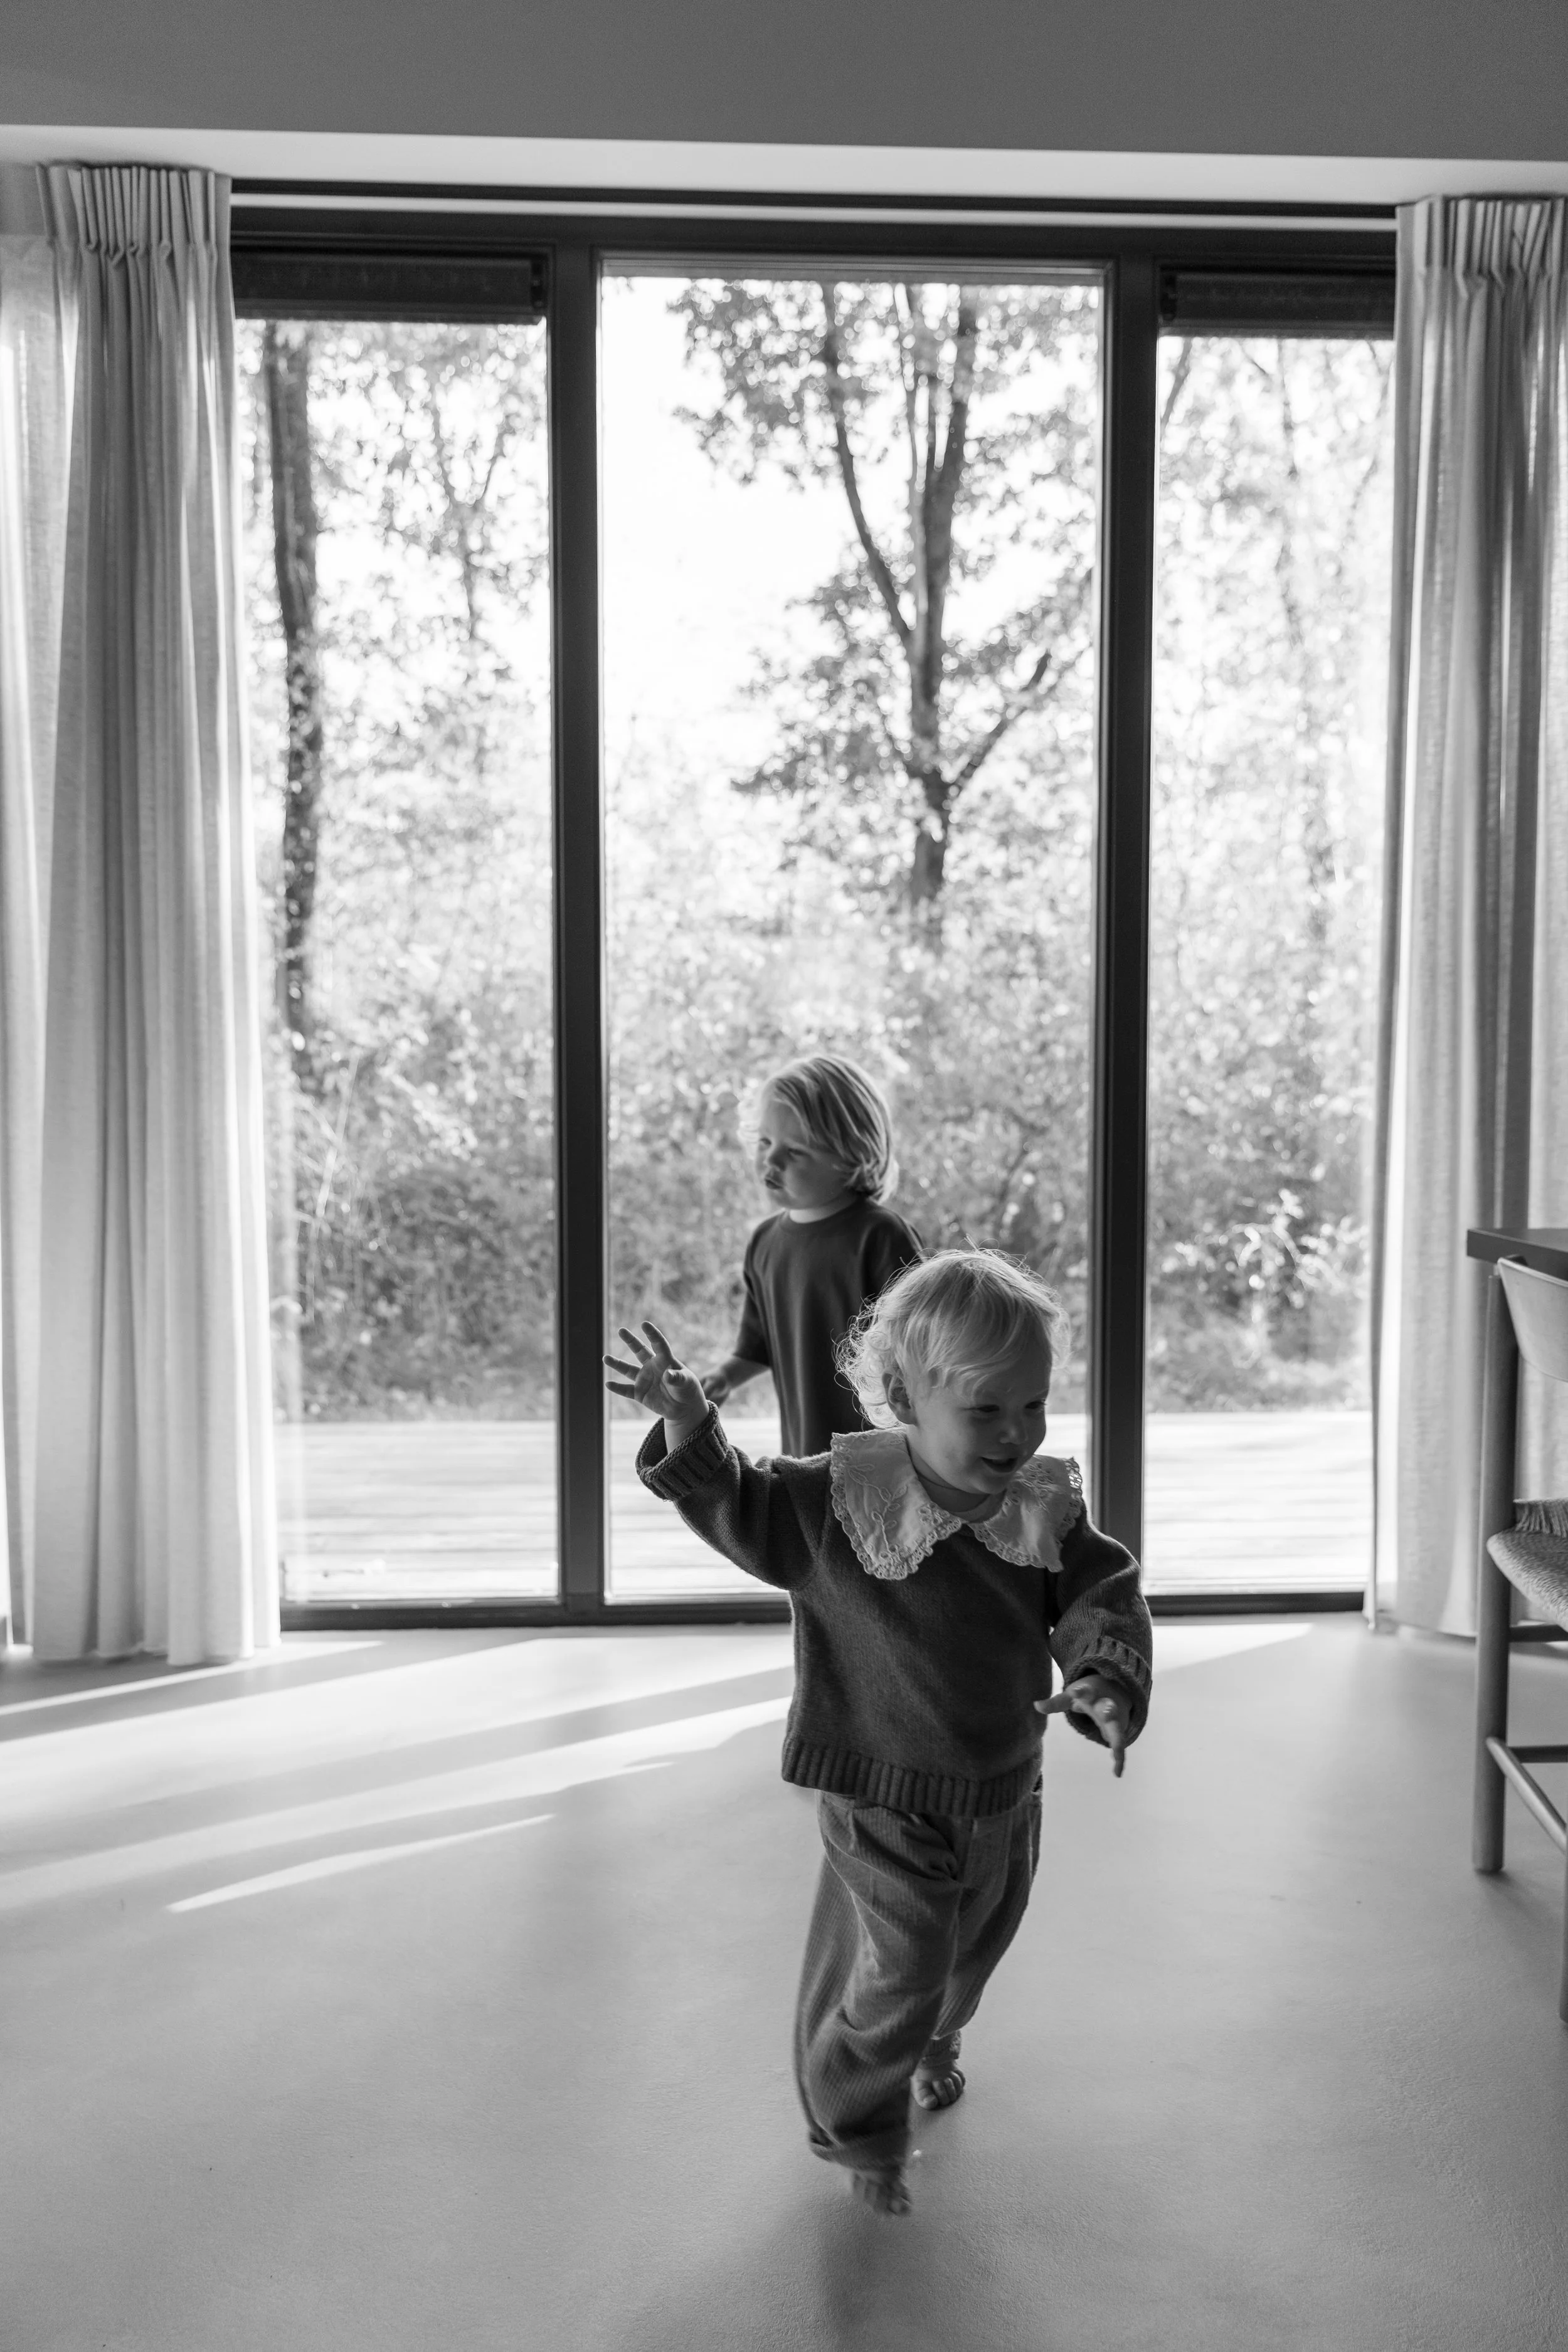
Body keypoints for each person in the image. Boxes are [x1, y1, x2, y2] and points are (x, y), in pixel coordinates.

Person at [604, 1249, 1152, 2218]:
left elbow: (1100, 1596)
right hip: (879, 1791)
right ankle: (857, 2123)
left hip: (1001, 1790)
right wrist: (689, 1420)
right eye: (986, 1409)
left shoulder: (1043, 1505)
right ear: (903, 1398)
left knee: (967, 1959)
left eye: (1034, 1404)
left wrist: (1103, 1677)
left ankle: (937, 2034)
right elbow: (739, 1504)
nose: (1017, 1430)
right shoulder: (841, 1496)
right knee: (904, 1965)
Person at [700, 1052, 923, 1458]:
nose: (771, 1160)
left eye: (796, 1151)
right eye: (765, 1142)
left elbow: (927, 1346)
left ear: (851, 1156)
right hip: (804, 1457)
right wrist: (725, 1378)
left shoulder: (881, 1237)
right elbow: (758, 1344)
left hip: (888, 1459)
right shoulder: (765, 1243)